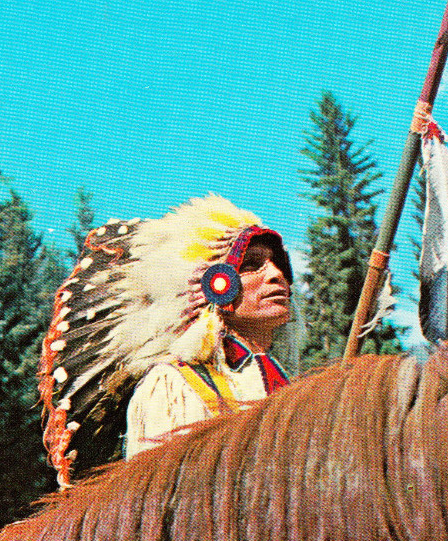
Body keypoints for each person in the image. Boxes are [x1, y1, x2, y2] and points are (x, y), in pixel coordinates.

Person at [38, 195, 295, 484]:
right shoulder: (176, 387)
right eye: (251, 264)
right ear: (215, 284)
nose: (277, 275)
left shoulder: (285, 382)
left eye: (280, 264)